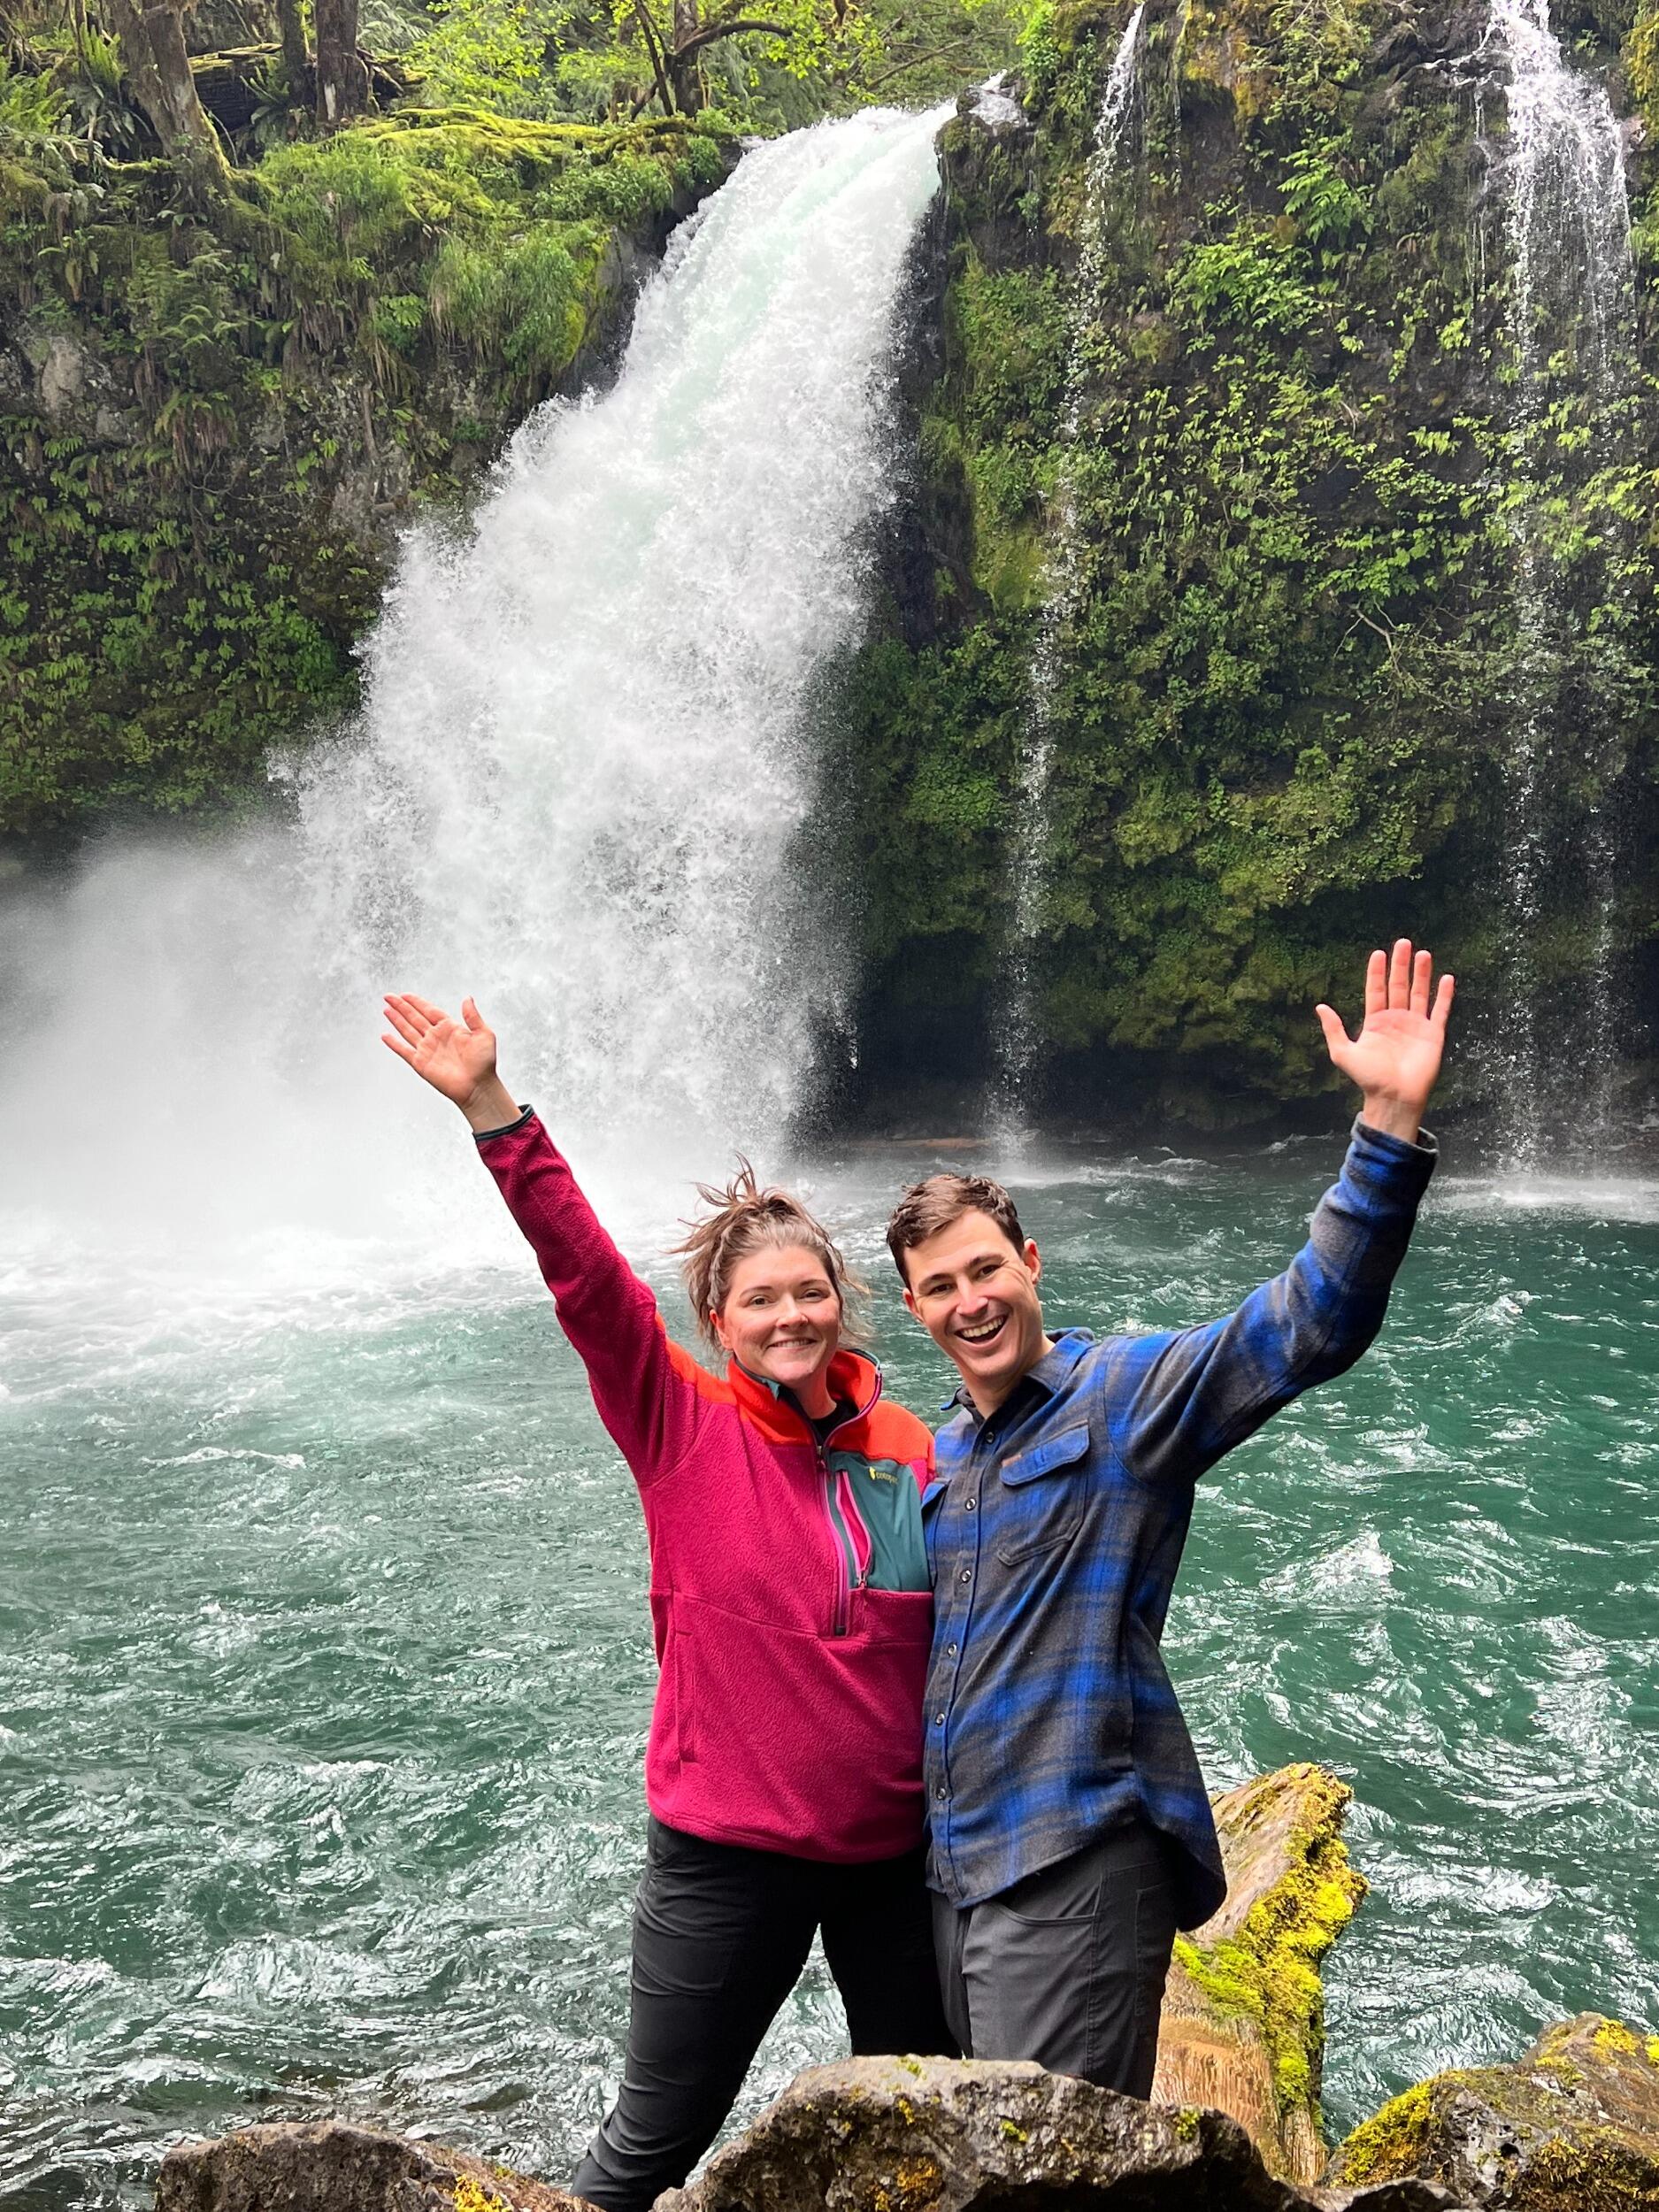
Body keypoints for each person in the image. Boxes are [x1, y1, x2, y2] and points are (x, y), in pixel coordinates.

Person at [380, 991, 954, 2212]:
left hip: (894, 1861)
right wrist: (494, 1108)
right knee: (647, 2153)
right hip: (727, 1861)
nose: (790, 1315)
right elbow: (585, 1277)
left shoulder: (909, 1447)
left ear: (840, 1305)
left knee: (936, 2124)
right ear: (719, 1322)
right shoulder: (678, 1423)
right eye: (761, 1301)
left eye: (809, 1294)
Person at [883, 939, 1453, 2099]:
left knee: (1043, 2179)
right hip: (948, 1878)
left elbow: (1308, 1322)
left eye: (987, 1270)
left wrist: (1385, 1128)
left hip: (1079, 1856)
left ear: (1032, 1263)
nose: (970, 1302)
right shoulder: (924, 1455)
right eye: (940, 1287)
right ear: (912, 1307)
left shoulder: (1129, 1394)